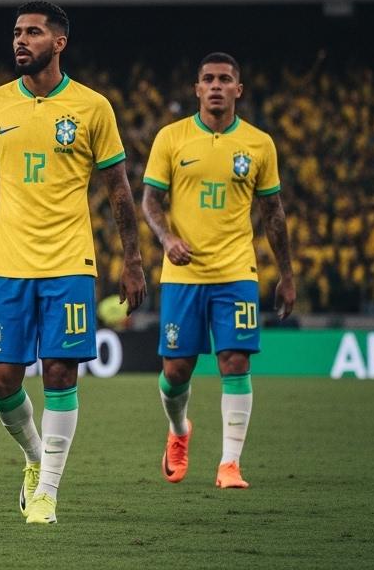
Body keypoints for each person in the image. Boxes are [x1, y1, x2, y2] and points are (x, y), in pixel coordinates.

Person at [0, 2, 146, 525]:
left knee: (60, 373)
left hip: (69, 261)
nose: (20, 40)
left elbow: (119, 191)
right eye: (16, 32)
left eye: (33, 32)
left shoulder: (91, 108)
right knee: (1, 380)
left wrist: (132, 258)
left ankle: (48, 494)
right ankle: (37, 459)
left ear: (59, 42)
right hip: (10, 264)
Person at [140, 52, 296, 489]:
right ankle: (179, 431)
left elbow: (273, 213)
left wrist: (286, 273)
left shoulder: (259, 144)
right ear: (196, 89)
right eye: (207, 78)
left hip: (236, 271)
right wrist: (167, 238)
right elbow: (150, 201)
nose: (215, 85)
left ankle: (230, 464)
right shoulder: (171, 138)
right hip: (183, 275)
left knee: (235, 360)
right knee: (176, 371)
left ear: (237, 90)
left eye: (224, 79)